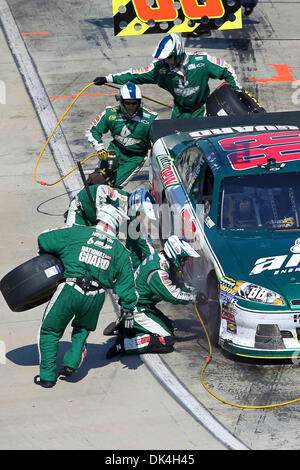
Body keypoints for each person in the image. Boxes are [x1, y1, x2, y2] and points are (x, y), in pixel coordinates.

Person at [34, 204, 138, 388]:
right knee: (82, 330)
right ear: (116, 225)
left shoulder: (76, 232)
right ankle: (71, 363)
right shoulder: (121, 252)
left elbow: (44, 239)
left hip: (70, 289)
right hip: (96, 296)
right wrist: (128, 310)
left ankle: (47, 377)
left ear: (100, 218)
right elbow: (128, 286)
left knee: (50, 331)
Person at [93, 33, 241, 119]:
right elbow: (134, 75)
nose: (164, 61)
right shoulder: (159, 69)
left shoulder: (202, 60)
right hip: (178, 112)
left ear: (177, 53)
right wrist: (108, 79)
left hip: (201, 111)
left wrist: (237, 92)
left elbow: (227, 69)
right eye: (163, 58)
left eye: (168, 58)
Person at [105, 235, 200, 359]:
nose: (184, 262)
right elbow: (172, 295)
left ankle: (126, 327)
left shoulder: (159, 258)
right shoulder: (158, 271)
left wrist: (196, 292)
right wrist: (194, 298)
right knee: (167, 340)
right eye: (183, 259)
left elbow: (178, 284)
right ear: (175, 254)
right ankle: (125, 344)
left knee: (171, 327)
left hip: (142, 304)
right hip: (137, 309)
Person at [65, 184, 157, 270]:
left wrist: (155, 262)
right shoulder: (119, 198)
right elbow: (100, 188)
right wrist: (100, 212)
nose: (143, 217)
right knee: (72, 243)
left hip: (96, 221)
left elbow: (143, 241)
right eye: (142, 213)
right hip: (80, 212)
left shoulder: (134, 217)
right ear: (135, 207)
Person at [86, 82, 158, 188]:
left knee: (112, 187)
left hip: (135, 158)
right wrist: (100, 148)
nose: (131, 107)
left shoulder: (151, 119)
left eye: (134, 103)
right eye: (127, 103)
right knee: (96, 179)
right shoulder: (110, 113)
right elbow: (92, 131)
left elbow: (159, 142)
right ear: (121, 101)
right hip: (115, 151)